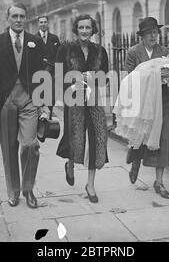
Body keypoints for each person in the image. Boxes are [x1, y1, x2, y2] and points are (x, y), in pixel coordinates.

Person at [0, 3, 49, 209]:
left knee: (30, 145)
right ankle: (13, 192)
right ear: (8, 18)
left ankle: (28, 188)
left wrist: (44, 104)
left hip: (29, 100)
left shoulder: (36, 42)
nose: (18, 20)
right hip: (6, 102)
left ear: (26, 18)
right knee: (9, 148)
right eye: (14, 16)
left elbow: (42, 75)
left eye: (22, 16)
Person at [124, 17, 169, 200]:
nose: (153, 35)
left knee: (162, 139)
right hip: (142, 102)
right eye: (149, 33)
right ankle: (135, 162)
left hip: (162, 101)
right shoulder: (133, 52)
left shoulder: (164, 52)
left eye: (155, 32)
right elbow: (130, 78)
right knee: (141, 137)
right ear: (142, 35)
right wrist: (151, 76)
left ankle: (159, 182)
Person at [56, 14, 109, 204]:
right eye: (81, 28)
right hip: (74, 98)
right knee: (74, 137)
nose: (85, 31)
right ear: (76, 30)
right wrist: (73, 83)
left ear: (93, 30)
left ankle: (90, 185)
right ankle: (70, 165)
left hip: (94, 100)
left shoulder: (100, 51)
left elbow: (105, 77)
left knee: (97, 138)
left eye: (88, 28)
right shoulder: (66, 49)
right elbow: (58, 75)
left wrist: (93, 78)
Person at [35, 15, 60, 115]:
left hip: (52, 72)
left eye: (45, 22)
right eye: (41, 22)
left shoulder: (54, 38)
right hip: (39, 72)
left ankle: (49, 115)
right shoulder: (34, 38)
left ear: (48, 23)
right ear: (38, 24)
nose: (43, 24)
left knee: (51, 95)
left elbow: (59, 55)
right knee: (40, 95)